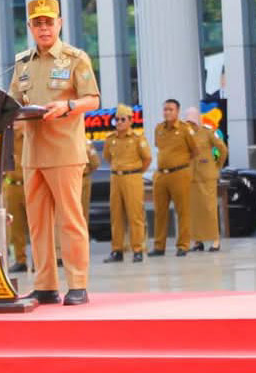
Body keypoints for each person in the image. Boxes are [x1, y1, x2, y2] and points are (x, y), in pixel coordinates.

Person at [8, 0, 100, 306]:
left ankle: (78, 283)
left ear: (59, 23)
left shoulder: (75, 59)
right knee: (37, 223)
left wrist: (68, 105)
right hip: (32, 153)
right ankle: (45, 284)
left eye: (49, 22)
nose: (44, 28)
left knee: (70, 219)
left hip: (64, 151)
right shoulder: (22, 63)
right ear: (30, 27)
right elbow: (11, 102)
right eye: (38, 23)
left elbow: (93, 100)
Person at [101, 104, 151, 263]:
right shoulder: (111, 140)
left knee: (135, 216)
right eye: (117, 120)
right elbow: (108, 157)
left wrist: (135, 172)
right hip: (116, 178)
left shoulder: (137, 139)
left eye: (123, 119)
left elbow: (147, 159)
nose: (119, 122)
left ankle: (137, 249)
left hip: (133, 177)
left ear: (130, 120)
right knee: (116, 216)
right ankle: (117, 250)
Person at [150, 99, 198, 257]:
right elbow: (159, 147)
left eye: (170, 109)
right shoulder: (159, 129)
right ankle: (159, 246)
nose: (167, 112)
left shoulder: (185, 129)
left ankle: (183, 245)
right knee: (160, 212)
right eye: (165, 109)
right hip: (161, 175)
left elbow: (195, 151)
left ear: (177, 111)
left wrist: (181, 164)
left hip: (180, 173)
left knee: (182, 210)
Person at [186, 107, 228, 252]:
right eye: (187, 121)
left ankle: (216, 240)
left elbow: (222, 149)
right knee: (195, 210)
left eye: (191, 121)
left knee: (209, 209)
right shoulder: (187, 135)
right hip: (192, 177)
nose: (190, 124)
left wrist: (217, 166)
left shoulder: (207, 133)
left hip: (207, 176)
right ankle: (198, 241)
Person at [4, 123, 29, 273]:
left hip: (29, 184)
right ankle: (20, 260)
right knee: (15, 226)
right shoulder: (6, 138)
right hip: (12, 185)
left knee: (35, 227)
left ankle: (41, 261)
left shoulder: (29, 137)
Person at [81, 138, 100, 225]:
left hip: (70, 179)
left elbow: (95, 163)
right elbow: (95, 163)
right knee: (82, 214)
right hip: (82, 177)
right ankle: (82, 238)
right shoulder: (85, 142)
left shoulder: (86, 143)